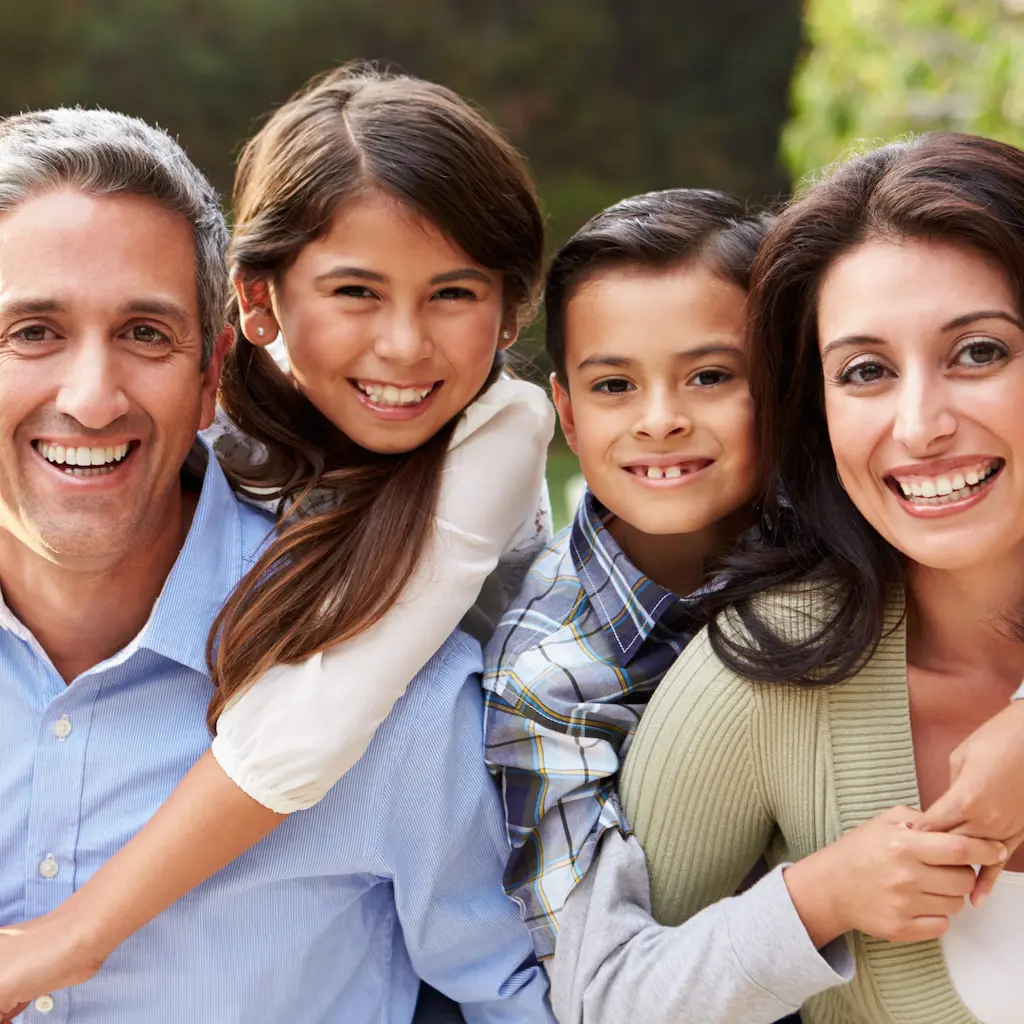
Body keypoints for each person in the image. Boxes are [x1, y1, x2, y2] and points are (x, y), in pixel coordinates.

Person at [0, 65, 556, 1014]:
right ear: (259, 316)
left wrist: (72, 939)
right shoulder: (254, 425)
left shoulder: (482, 471)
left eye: (144, 332)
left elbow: (316, 721)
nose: (404, 347)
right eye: (32, 331)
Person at [600, 132, 1024, 1024]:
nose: (919, 426)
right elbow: (603, 1000)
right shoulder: (769, 675)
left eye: (979, 353)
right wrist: (813, 901)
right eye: (865, 372)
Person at [483, 189, 851, 1020]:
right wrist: (829, 894)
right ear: (567, 416)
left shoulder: (857, 544)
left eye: (711, 376)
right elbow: (597, 991)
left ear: (787, 385)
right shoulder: (552, 672)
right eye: (615, 385)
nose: (660, 421)